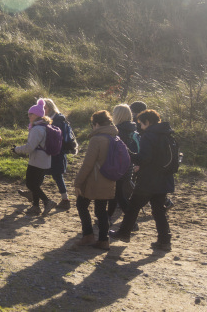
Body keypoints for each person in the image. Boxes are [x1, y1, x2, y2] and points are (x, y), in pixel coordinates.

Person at [110, 109, 176, 252]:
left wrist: (129, 153)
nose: (140, 127)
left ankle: (124, 233)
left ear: (147, 122)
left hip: (149, 180)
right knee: (159, 211)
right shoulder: (167, 134)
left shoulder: (149, 136)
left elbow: (143, 158)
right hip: (164, 179)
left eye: (141, 123)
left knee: (133, 207)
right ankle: (165, 241)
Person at [73, 110, 118, 250]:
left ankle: (88, 235)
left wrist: (78, 182)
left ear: (97, 124)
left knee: (81, 204)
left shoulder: (97, 139)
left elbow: (88, 164)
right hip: (109, 179)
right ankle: (104, 240)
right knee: (101, 210)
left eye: (93, 124)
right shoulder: (115, 138)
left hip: (94, 180)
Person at [13, 98, 58, 216]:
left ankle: (47, 201)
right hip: (45, 160)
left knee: (30, 184)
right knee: (36, 185)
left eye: (31, 114)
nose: (29, 116)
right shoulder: (44, 126)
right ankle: (36, 207)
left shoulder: (37, 129)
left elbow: (29, 147)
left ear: (37, 114)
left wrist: (16, 149)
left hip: (37, 160)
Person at [107, 104, 140, 226]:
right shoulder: (133, 128)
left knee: (119, 194)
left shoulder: (118, 130)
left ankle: (132, 221)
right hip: (129, 165)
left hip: (119, 165)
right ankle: (108, 216)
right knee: (117, 192)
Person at [44, 98, 72, 210]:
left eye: (44, 108)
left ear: (50, 108)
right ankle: (33, 192)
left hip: (56, 153)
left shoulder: (57, 121)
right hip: (56, 153)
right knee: (42, 173)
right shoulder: (57, 119)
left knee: (56, 175)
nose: (42, 110)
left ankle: (65, 200)